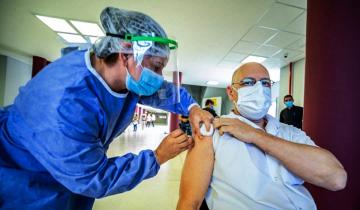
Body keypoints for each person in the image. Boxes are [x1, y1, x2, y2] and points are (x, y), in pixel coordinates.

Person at [0, 7, 213, 210]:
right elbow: (94, 179)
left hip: (69, 170)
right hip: (26, 176)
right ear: (126, 53)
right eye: (156, 67)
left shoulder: (123, 75)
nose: (158, 77)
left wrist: (192, 107)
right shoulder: (68, 106)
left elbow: (166, 93)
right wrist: (158, 156)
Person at [177, 62, 347, 210]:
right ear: (231, 92)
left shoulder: (291, 133)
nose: (259, 88)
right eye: (248, 82)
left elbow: (337, 179)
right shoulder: (212, 132)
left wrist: (256, 135)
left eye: (265, 83)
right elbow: (189, 202)